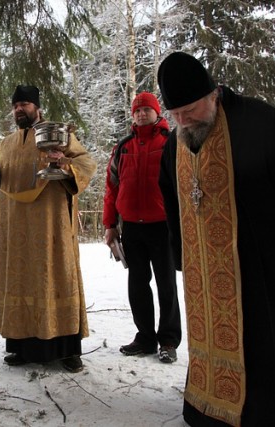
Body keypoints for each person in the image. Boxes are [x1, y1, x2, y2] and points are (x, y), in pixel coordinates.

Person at [157, 51, 275, 427]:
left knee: (269, 351)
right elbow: (173, 200)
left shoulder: (262, 123)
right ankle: (207, 409)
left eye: (190, 109)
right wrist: (181, 254)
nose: (183, 120)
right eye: (175, 114)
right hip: (207, 280)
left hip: (269, 271)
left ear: (213, 93)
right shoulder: (174, 144)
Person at [0, 85, 97, 373]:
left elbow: (86, 164)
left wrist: (62, 163)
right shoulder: (5, 145)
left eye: (24, 104)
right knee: (20, 281)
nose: (19, 109)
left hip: (52, 227)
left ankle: (67, 351)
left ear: (37, 107)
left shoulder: (59, 135)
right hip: (16, 229)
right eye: (15, 106)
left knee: (57, 277)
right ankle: (22, 348)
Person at [103, 92, 181, 364]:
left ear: (157, 112)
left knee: (166, 284)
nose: (141, 114)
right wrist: (110, 224)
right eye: (137, 111)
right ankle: (145, 337)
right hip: (132, 229)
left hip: (163, 227)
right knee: (137, 284)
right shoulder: (123, 147)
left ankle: (169, 340)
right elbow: (111, 189)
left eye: (146, 109)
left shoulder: (172, 143)